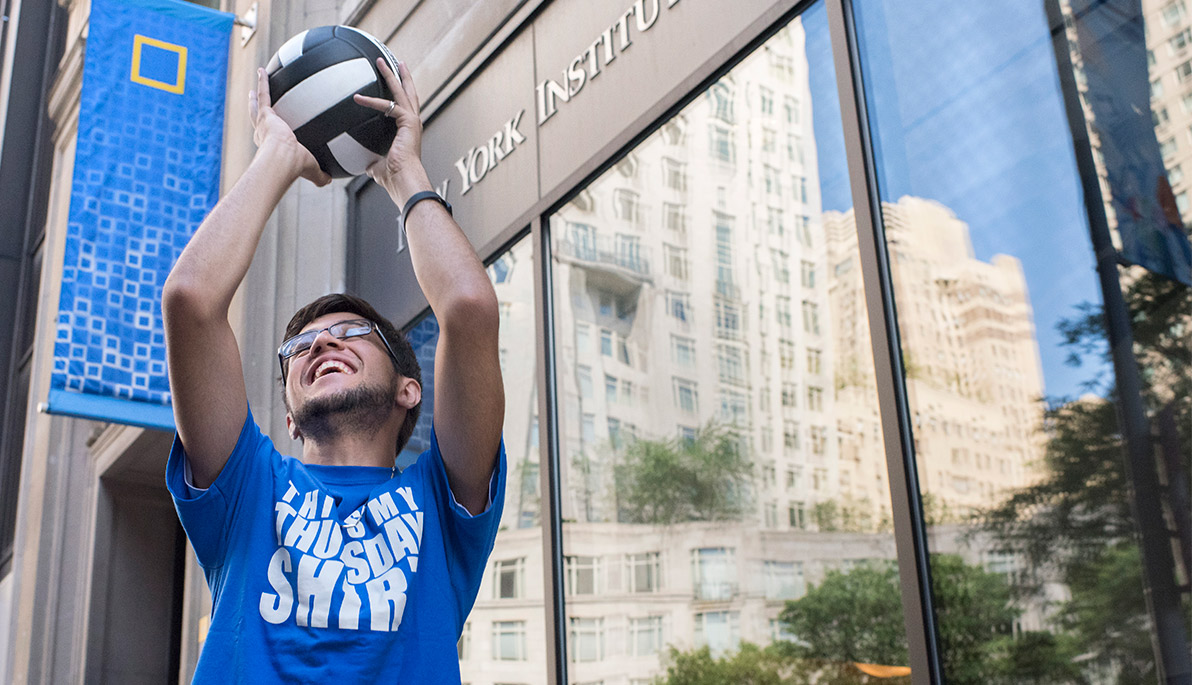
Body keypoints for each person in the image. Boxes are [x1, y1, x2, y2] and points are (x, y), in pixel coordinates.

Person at [161, 56, 505, 682]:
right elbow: (191, 301)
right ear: (290, 419)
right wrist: (278, 154)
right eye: (302, 347)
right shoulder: (247, 491)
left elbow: (470, 309)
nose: (322, 345)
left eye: (350, 333)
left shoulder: (443, 502)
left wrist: (403, 172)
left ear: (410, 389)